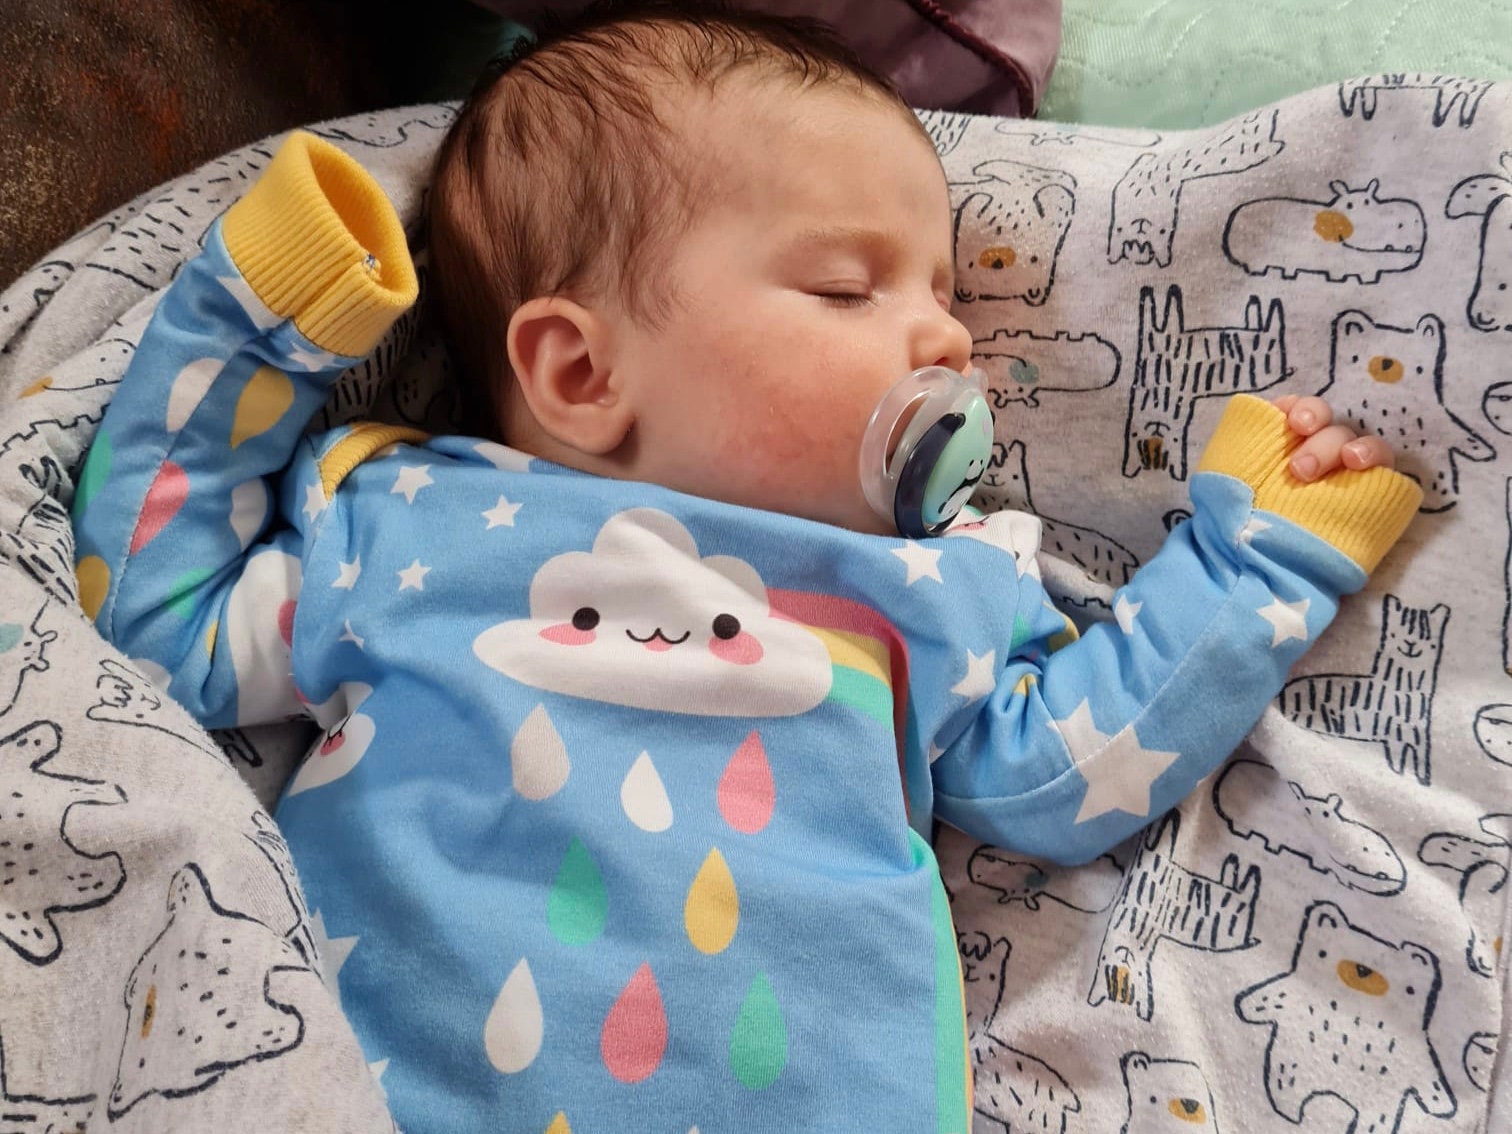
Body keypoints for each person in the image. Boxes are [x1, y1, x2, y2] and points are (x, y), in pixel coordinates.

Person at [71, 2, 1422, 1130]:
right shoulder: (406, 519)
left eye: (946, 294)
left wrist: (1255, 554)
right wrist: (258, 321)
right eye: (848, 288)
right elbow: (156, 632)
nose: (948, 341)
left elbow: (1065, 774)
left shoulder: (929, 585)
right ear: (580, 373)